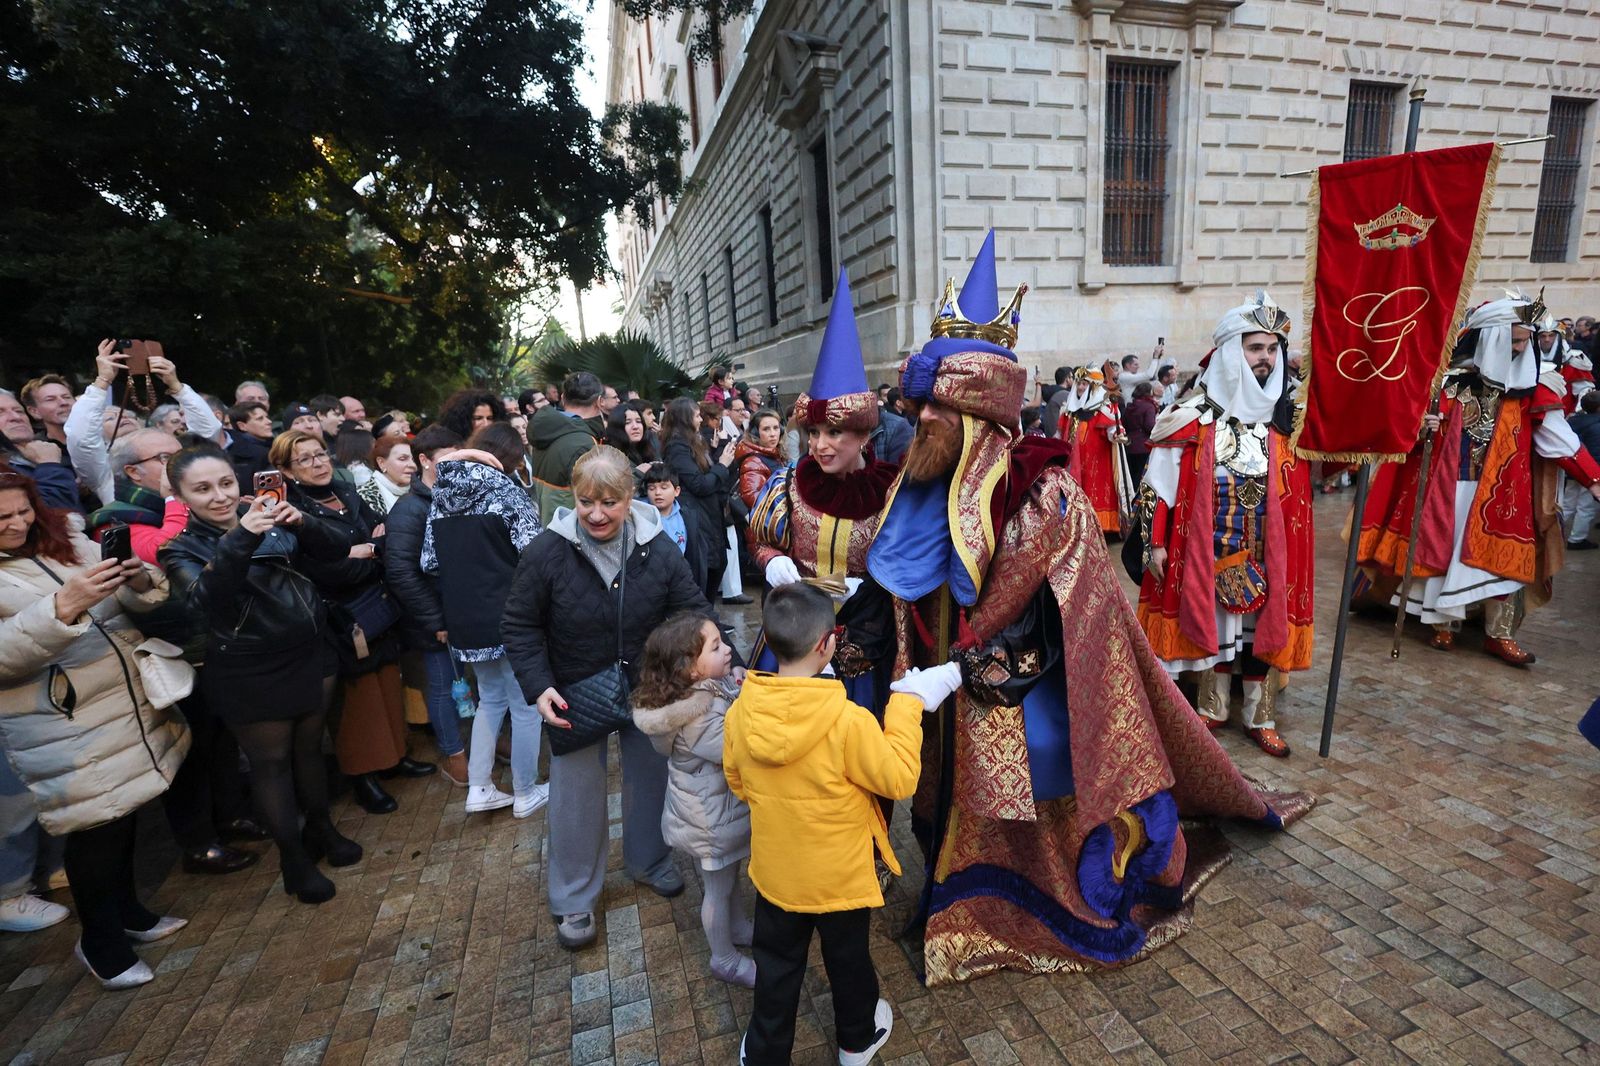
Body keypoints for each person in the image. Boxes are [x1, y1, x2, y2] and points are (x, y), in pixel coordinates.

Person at [867, 230, 1312, 985]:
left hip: (1026, 686)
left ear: (974, 411)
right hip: (942, 692)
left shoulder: (1047, 493)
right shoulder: (914, 481)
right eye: (919, 409)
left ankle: (1029, 900)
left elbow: (1075, 615)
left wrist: (970, 668)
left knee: (1026, 783)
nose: (921, 423)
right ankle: (954, 892)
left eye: (935, 410)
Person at [502, 447, 732, 949]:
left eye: (609, 501)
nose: (597, 514)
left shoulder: (656, 545)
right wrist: (539, 686)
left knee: (650, 777)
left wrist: (710, 650)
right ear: (573, 498)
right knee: (575, 798)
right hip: (573, 690)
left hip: (646, 685)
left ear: (630, 498)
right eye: (587, 502)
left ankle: (649, 860)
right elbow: (520, 624)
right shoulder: (546, 550)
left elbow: (690, 606)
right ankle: (574, 898)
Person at [726, 583, 962, 1065]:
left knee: (777, 965)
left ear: (769, 642)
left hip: (778, 873)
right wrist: (908, 703)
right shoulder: (848, 721)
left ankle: (767, 1051)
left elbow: (738, 782)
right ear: (826, 645)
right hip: (840, 876)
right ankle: (856, 1041)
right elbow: (898, 778)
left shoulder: (741, 711)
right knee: (849, 960)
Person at [0, 471, 190, 988]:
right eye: (2, 517)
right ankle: (100, 941)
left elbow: (130, 606)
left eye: (23, 511)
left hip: (124, 704)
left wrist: (136, 579)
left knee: (125, 812)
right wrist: (61, 607)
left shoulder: (68, 541)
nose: (17, 523)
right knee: (94, 830)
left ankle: (129, 911)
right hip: (61, 721)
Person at [160, 446, 366, 907]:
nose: (219, 496)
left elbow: (338, 549)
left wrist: (303, 522)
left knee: (309, 751)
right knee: (271, 765)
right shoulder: (179, 547)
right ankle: (293, 859)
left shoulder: (266, 515)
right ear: (180, 496)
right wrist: (242, 537)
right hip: (250, 666)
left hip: (308, 649)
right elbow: (203, 601)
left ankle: (322, 829)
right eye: (203, 489)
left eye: (226, 483)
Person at [1359, 292, 1600, 665]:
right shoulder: (1447, 383)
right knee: (1440, 555)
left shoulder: (1530, 390)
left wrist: (1593, 478)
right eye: (1516, 340)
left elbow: (1559, 441)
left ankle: (1499, 634)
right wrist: (1423, 428)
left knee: (1506, 565)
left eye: (1526, 340)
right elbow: (1405, 433)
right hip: (1448, 488)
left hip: (1505, 493)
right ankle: (1443, 624)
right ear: (1492, 339)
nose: (1523, 349)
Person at [1135, 293, 1314, 756]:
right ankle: (1212, 708)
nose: (1266, 359)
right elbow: (1159, 485)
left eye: (1272, 349)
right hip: (1206, 549)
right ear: (1233, 351)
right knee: (1215, 630)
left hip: (1268, 550)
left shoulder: (1286, 422)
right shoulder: (1191, 420)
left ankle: (1261, 715)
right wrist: (1155, 545)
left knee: (1261, 632)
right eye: (1256, 348)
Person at [747, 270, 900, 718]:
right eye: (813, 432)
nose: (820, 445)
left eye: (834, 432)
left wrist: (869, 591)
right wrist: (772, 561)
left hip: (866, 646)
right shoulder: (789, 482)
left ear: (863, 436)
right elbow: (760, 539)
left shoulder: (891, 493)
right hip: (796, 640)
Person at [276, 430, 434, 814]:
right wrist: (355, 555)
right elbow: (319, 569)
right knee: (356, 701)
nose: (318, 463)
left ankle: (395, 758)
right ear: (286, 470)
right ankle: (363, 777)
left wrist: (366, 551)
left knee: (386, 686)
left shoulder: (346, 493)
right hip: (339, 618)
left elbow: (386, 534)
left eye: (320, 454)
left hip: (376, 606)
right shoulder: (292, 512)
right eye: (306, 459)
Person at [423, 423, 546, 818]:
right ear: (510, 457)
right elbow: (536, 555)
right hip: (512, 615)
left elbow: (429, 561)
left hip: (464, 617)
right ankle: (526, 792)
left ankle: (480, 787)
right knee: (526, 705)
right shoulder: (508, 492)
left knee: (490, 701)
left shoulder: (438, 497)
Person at [630, 612, 753, 987]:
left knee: (727, 876)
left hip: (713, 809)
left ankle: (739, 926)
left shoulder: (700, 694)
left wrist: (733, 684)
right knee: (717, 887)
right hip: (710, 818)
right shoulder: (699, 715)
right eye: (717, 647)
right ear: (691, 669)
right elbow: (733, 748)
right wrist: (746, 700)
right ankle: (724, 957)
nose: (728, 649)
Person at [381, 425, 469, 786]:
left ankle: (485, 743)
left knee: (469, 686)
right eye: (447, 457)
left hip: (465, 611)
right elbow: (400, 573)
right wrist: (435, 618)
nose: (455, 464)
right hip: (435, 619)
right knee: (443, 685)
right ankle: (454, 755)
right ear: (425, 461)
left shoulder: (458, 496)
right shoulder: (409, 510)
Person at [66, 341, 222, 506]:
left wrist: (177, 386)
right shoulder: (104, 474)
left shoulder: (172, 442)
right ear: (132, 471)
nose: (124, 418)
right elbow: (80, 437)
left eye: (128, 415)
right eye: (164, 457)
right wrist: (102, 381)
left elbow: (208, 432)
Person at [661, 397, 736, 601]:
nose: (700, 419)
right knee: (704, 574)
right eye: (696, 415)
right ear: (685, 419)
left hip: (709, 516)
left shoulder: (692, 442)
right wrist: (722, 465)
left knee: (716, 567)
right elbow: (699, 485)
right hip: (698, 517)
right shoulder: (677, 447)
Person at [1060, 365, 1132, 536]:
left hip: (1098, 463)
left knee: (1097, 492)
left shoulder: (1104, 408)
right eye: (1079, 383)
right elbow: (1060, 434)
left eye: (1085, 384)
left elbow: (1112, 430)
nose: (1080, 387)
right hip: (1075, 462)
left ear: (1094, 386)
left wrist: (1117, 434)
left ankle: (1102, 527)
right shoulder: (1070, 411)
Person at [529, 372, 604, 523]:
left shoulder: (547, 431)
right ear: (599, 401)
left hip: (550, 529)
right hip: (571, 534)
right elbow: (599, 499)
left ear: (562, 398)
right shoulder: (583, 444)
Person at [733, 408, 787, 512]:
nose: (773, 434)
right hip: (769, 524)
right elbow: (754, 500)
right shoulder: (753, 463)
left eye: (776, 428)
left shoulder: (774, 454)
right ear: (755, 433)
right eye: (766, 429)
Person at [1566, 390, 1600, 548]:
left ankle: (1555, 531)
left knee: (1568, 502)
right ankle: (1577, 539)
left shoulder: (1573, 421)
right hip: (1592, 470)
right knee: (1586, 506)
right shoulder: (1597, 424)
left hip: (1573, 467)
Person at [357, 435, 416, 516]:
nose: (412, 465)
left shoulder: (421, 488)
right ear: (381, 463)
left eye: (414, 459)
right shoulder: (365, 496)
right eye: (402, 459)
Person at [19, 374, 74, 451]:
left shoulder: (95, 437)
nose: (63, 402)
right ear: (34, 412)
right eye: (50, 399)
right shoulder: (34, 451)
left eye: (66, 397)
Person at [225, 401, 275, 485]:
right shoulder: (239, 455)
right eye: (260, 419)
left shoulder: (272, 446)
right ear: (242, 426)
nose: (269, 422)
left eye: (267, 417)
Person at [604, 404, 656, 483]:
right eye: (628, 422)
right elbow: (618, 490)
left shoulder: (647, 448)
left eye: (638, 421)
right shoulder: (610, 457)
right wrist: (639, 472)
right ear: (617, 427)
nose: (635, 426)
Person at [437, 388, 506, 442]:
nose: (486, 424)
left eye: (489, 418)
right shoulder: (448, 449)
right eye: (478, 418)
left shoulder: (500, 448)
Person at [1123, 381, 1159, 485]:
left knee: (1132, 475)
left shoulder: (1129, 406)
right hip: (1144, 446)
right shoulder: (1149, 406)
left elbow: (1124, 423)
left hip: (1130, 445)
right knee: (1142, 476)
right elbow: (1149, 426)